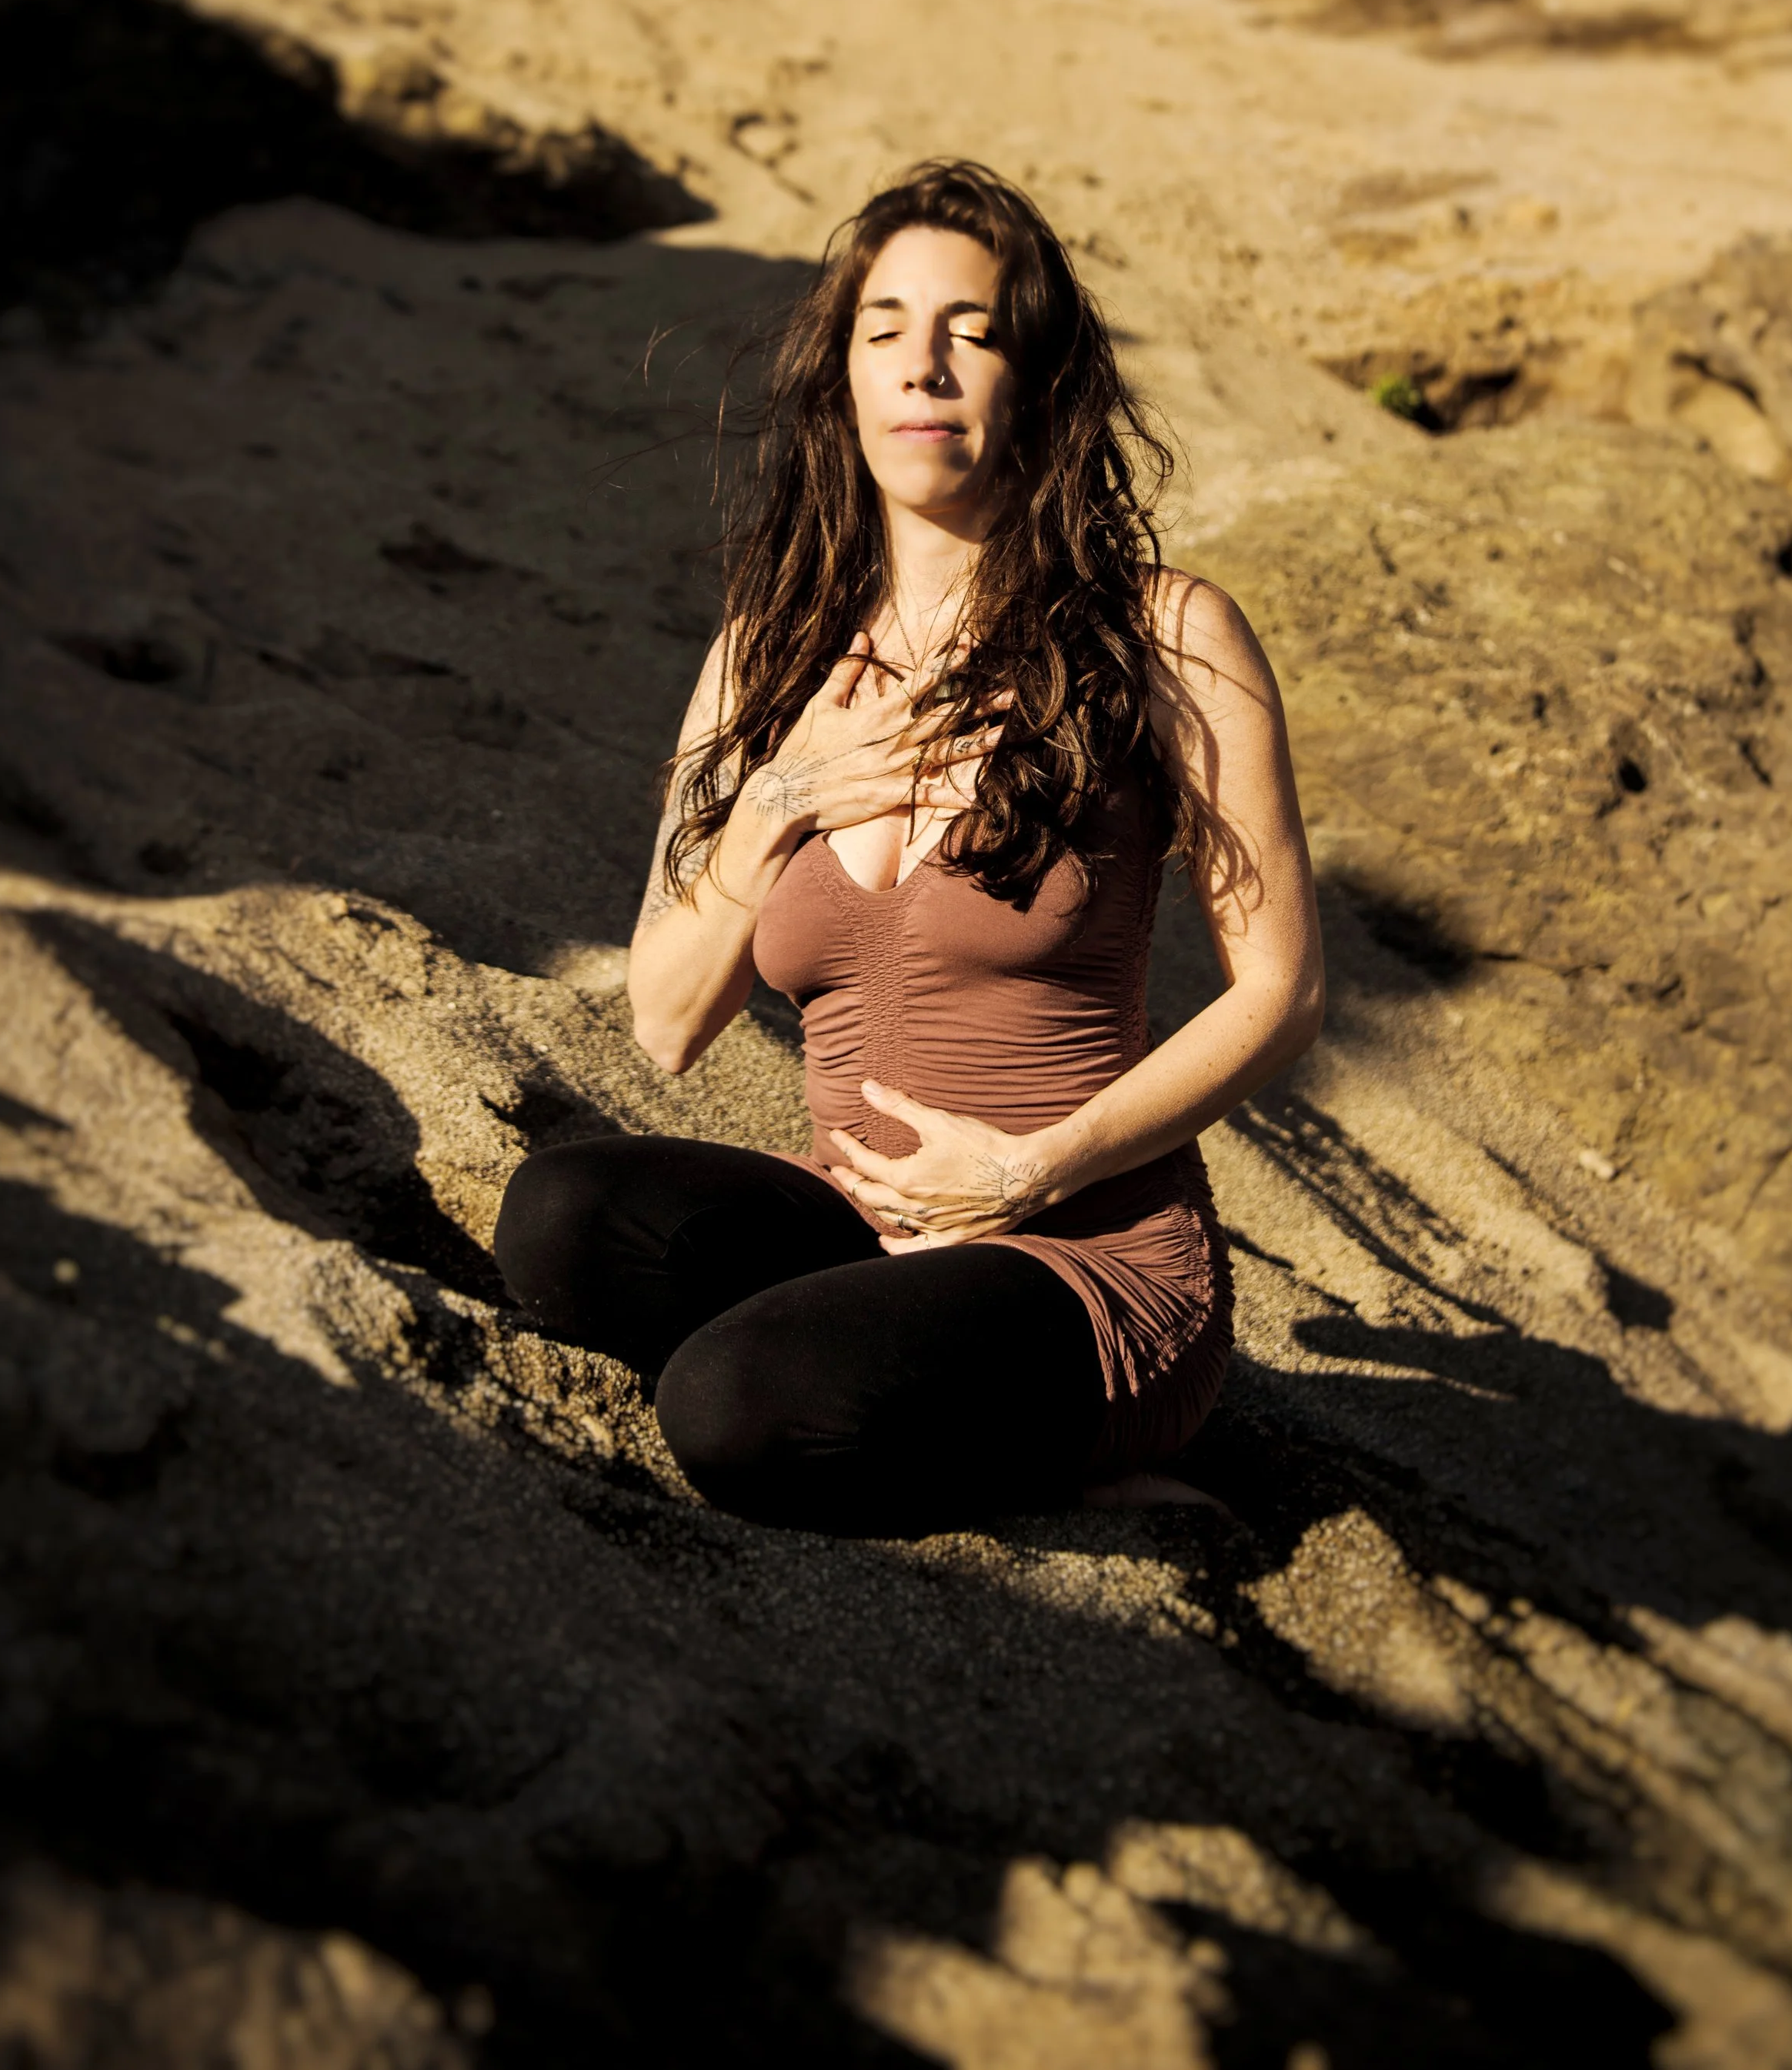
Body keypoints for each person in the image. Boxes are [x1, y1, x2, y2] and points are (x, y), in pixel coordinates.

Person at [495, 161, 1323, 1534]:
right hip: (859, 1226)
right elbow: (665, 1018)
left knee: (734, 1411)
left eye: (972, 333)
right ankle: (883, 1368)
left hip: (1080, 1250)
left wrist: (1029, 1170)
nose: (922, 366)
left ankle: (1107, 1474)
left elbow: (1282, 992)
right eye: (885, 330)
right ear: (843, 385)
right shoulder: (766, 659)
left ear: (1037, 387)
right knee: (564, 1218)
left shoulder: (1167, 635)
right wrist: (782, 798)